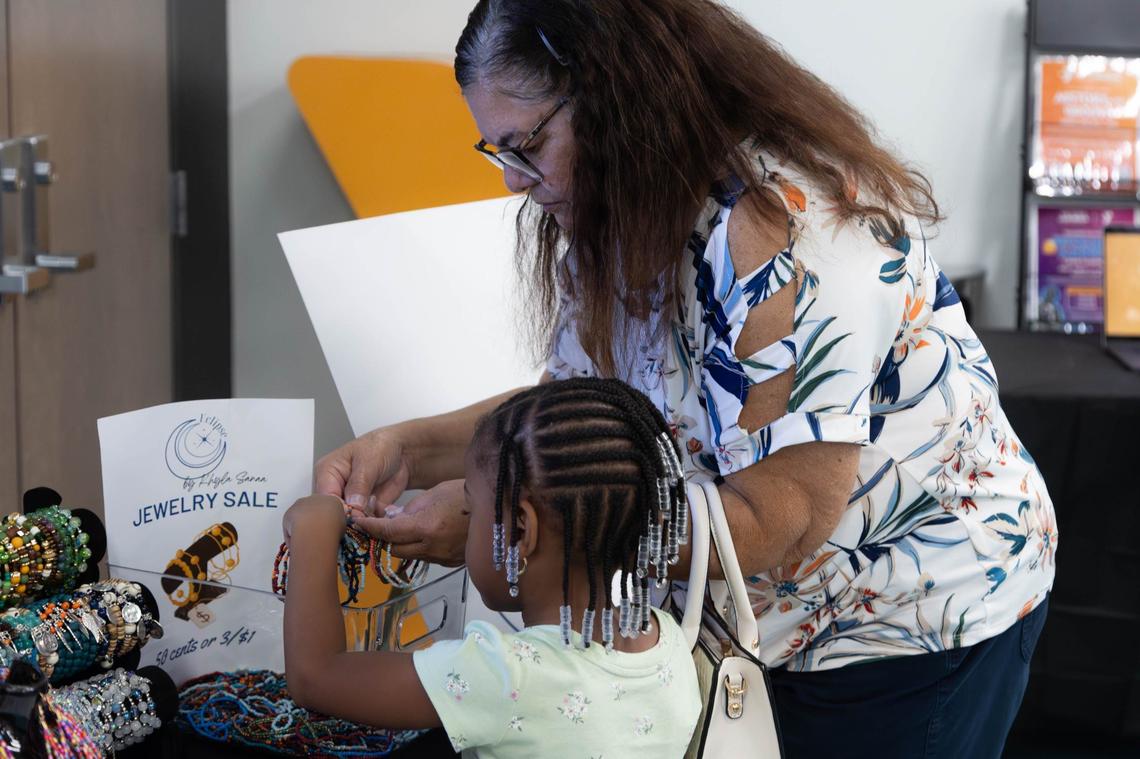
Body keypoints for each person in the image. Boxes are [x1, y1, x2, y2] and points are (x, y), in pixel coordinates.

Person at [324, 1, 1058, 756]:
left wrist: (505, 528)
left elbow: (780, 520)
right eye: (498, 150)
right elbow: (570, 423)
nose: (515, 180)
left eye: (529, 145)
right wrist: (408, 448)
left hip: (904, 621)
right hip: (754, 623)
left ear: (616, 93)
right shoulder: (618, 209)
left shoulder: (794, 236)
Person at [284, 378, 702, 757]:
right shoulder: (670, 646)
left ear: (520, 532)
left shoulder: (504, 678)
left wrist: (312, 533)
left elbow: (315, 677)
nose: (465, 525)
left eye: (470, 508)